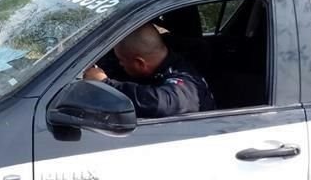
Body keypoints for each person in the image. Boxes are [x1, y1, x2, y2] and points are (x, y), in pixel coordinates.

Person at [83, 23, 215, 118]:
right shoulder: (161, 61)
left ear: (140, 63)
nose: (119, 64)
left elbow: (160, 104)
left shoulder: (184, 81)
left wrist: (105, 84)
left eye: (122, 60)